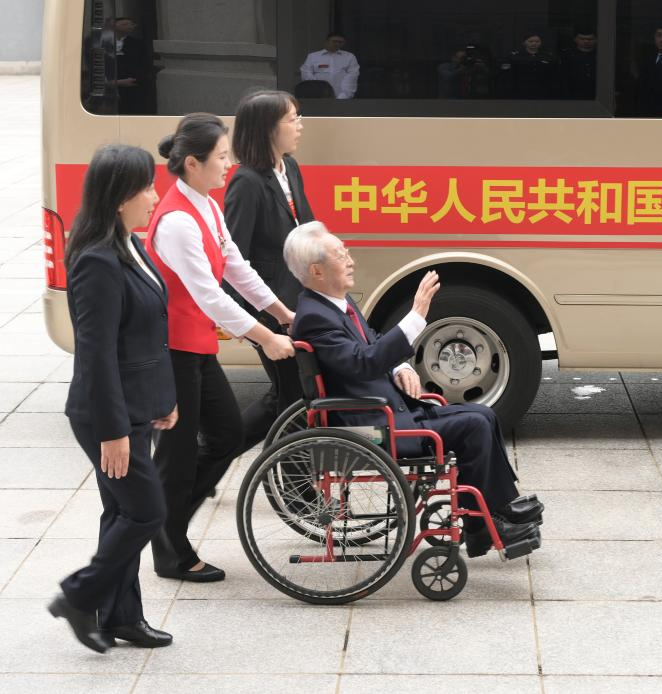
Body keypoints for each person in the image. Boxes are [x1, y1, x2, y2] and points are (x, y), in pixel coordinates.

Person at [284, 222, 544, 557]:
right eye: (340, 255)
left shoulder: (336, 303)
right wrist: (416, 316)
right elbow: (362, 362)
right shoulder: (315, 317)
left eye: (345, 251)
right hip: (372, 426)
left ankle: (496, 512)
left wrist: (401, 366)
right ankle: (489, 521)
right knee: (474, 425)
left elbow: (372, 343)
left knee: (484, 414)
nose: (350, 260)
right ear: (317, 270)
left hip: (389, 411)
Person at [145, 114, 296, 581]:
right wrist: (266, 337)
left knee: (227, 436)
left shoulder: (207, 206)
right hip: (171, 350)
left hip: (195, 346)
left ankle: (165, 521)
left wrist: (282, 314)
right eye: (222, 157)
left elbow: (236, 266)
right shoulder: (176, 221)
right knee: (175, 456)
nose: (229, 164)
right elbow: (208, 295)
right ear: (193, 163)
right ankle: (170, 550)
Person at [48, 145, 176, 653]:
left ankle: (122, 617)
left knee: (121, 512)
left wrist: (163, 398)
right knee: (146, 511)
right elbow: (96, 355)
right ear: (121, 197)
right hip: (107, 413)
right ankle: (79, 596)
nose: (155, 196)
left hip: (138, 403)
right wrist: (114, 431)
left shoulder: (129, 243)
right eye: (147, 187)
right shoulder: (97, 261)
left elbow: (148, 333)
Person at [224, 90, 314, 453]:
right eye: (292, 119)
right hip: (270, 309)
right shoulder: (247, 182)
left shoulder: (289, 167)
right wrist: (248, 323)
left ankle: (217, 452)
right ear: (267, 129)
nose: (300, 126)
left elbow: (306, 228)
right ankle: (291, 475)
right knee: (293, 396)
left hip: (299, 302)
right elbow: (234, 257)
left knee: (289, 394)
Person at [299, 32, 360, 100]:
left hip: (342, 96)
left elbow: (353, 76)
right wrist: (316, 91)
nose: (337, 44)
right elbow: (306, 74)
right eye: (334, 41)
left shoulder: (349, 57)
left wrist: (344, 96)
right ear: (326, 42)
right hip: (318, 96)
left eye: (340, 42)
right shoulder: (313, 56)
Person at [499, 32, 558, 99]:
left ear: (540, 43)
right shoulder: (514, 56)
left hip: (542, 88)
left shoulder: (548, 56)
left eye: (537, 41)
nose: (534, 43)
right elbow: (507, 74)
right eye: (530, 41)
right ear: (524, 43)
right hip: (521, 88)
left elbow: (553, 73)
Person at [560, 28, 597, 99]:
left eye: (590, 39)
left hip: (596, 93)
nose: (586, 41)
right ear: (575, 39)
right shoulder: (566, 56)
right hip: (573, 93)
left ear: (596, 40)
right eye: (582, 39)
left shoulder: (603, 54)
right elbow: (563, 77)